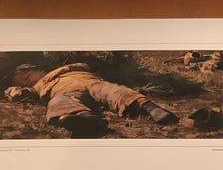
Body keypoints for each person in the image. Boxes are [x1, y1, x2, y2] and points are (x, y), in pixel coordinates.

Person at [4, 62, 179, 138]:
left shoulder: (69, 67)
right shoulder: (35, 88)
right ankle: (83, 119)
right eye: (21, 81)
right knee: (59, 102)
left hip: (90, 81)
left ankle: (150, 108)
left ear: (39, 69)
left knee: (111, 91)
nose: (25, 81)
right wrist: (14, 91)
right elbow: (19, 93)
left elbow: (89, 67)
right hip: (64, 92)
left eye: (26, 76)